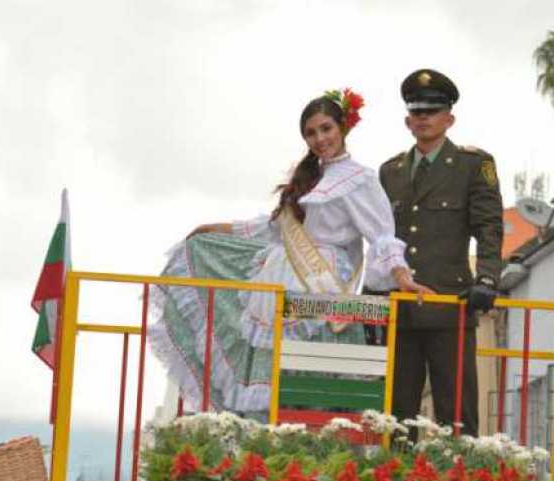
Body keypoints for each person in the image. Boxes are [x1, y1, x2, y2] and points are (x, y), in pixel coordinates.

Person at [147, 89, 432, 415]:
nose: (320, 138)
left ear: (342, 127)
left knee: (311, 364)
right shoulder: (309, 176)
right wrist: (215, 228)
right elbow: (272, 228)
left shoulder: (360, 179)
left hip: (322, 280)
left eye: (326, 128)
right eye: (311, 133)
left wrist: (402, 277)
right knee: (274, 361)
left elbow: (381, 237)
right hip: (281, 273)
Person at [376, 69, 503, 436]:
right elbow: (382, 237)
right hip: (400, 308)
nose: (424, 118)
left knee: (457, 413)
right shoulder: (391, 172)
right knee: (397, 416)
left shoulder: (472, 165)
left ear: (449, 118)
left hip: (451, 303)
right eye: (417, 112)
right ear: (407, 121)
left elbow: (489, 226)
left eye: (432, 111)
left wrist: (488, 277)